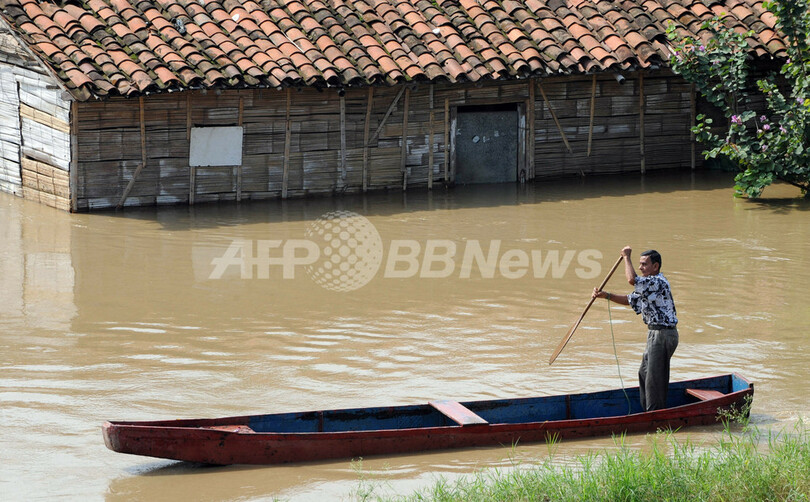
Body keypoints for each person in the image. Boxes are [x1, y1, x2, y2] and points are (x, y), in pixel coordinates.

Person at [592, 246, 679, 411]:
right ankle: (648, 411)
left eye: (644, 264)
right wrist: (606, 296)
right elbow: (631, 300)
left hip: (663, 334)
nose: (640, 268)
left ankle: (655, 415)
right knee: (644, 374)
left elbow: (632, 280)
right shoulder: (648, 286)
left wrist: (627, 257)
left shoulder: (657, 281)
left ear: (656, 266)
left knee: (654, 380)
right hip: (655, 333)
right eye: (639, 264)